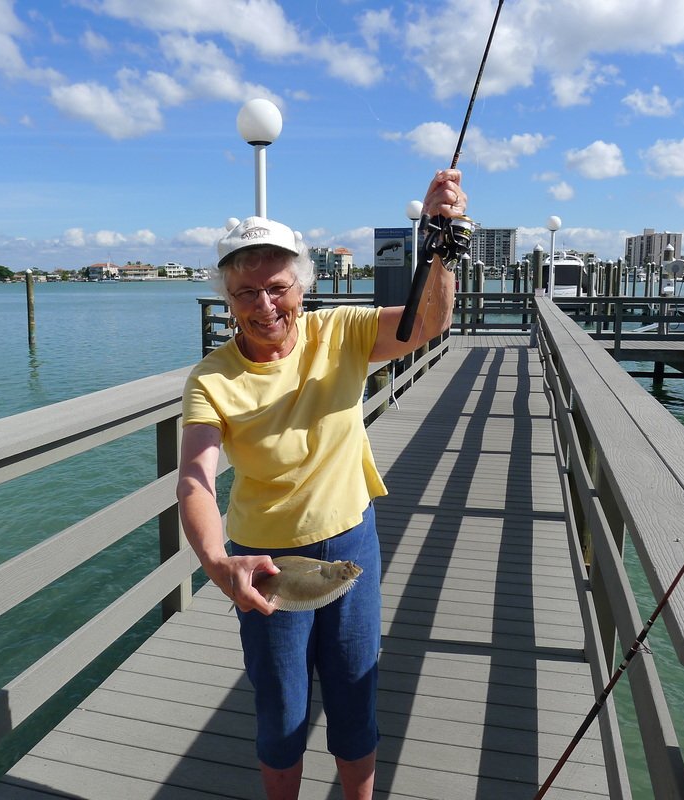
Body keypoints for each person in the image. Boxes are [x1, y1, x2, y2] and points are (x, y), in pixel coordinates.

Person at [176, 169, 467, 800]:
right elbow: (195, 479)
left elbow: (426, 324)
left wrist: (441, 245)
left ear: (300, 287)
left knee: (355, 692)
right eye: (245, 293)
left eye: (277, 289)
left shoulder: (340, 332)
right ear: (226, 297)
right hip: (266, 562)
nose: (264, 306)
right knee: (281, 712)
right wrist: (216, 561)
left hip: (351, 541)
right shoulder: (210, 379)